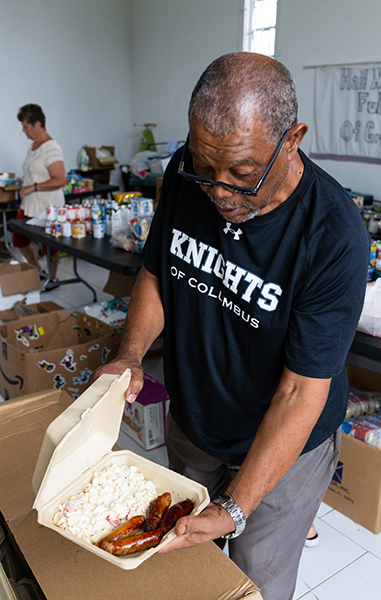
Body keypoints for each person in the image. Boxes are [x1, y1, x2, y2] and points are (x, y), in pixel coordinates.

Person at [93, 53, 369, 599]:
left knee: (251, 584)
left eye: (242, 174)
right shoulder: (183, 174)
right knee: (180, 566)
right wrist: (130, 353)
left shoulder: (333, 234)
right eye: (205, 167)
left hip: (283, 449)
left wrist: (236, 507)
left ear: (292, 139)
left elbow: (299, 391)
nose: (219, 192)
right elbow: (157, 271)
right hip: (196, 424)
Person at [12, 104, 67, 290]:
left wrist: (32, 187)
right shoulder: (33, 146)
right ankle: (38, 271)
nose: (23, 130)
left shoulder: (51, 147)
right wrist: (24, 181)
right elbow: (35, 171)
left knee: (50, 245)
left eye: (26, 126)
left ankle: (52, 279)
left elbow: (60, 180)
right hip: (30, 204)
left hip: (47, 204)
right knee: (19, 239)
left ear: (37, 124)